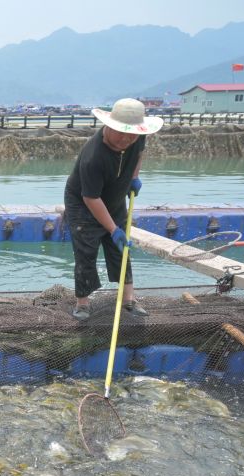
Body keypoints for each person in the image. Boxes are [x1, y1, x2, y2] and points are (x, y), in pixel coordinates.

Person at [65, 98, 162, 321]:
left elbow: (138, 153)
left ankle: (128, 300)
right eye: (121, 133)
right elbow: (91, 198)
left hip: (116, 194)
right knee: (86, 250)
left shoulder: (136, 138)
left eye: (131, 134)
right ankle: (82, 303)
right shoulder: (94, 156)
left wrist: (134, 178)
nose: (126, 139)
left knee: (121, 250)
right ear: (109, 125)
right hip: (84, 203)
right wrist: (112, 229)